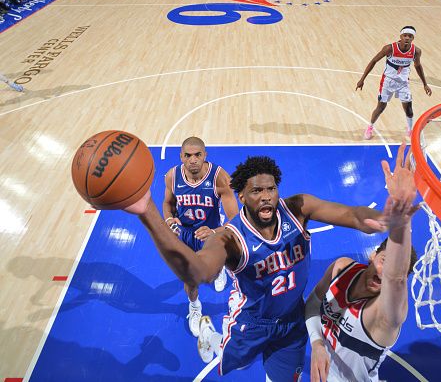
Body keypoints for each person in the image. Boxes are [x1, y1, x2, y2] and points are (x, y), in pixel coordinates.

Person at [124, 154, 403, 381]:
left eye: (271, 188)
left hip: (291, 320)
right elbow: (197, 272)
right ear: (242, 197)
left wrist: (387, 216)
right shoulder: (230, 237)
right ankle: (214, 336)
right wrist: (148, 211)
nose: (266, 196)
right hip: (251, 321)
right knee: (240, 365)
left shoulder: (297, 208)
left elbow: (353, 215)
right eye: (256, 191)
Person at [305, 146, 418, 382]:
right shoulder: (341, 268)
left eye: (397, 270)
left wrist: (401, 216)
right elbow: (313, 303)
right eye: (384, 261)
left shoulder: (384, 317)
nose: (386, 271)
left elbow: (395, 278)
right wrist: (317, 343)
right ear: (373, 255)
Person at [162, 136, 239, 337]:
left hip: (211, 234)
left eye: (197, 155)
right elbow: (167, 204)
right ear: (181, 156)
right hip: (185, 234)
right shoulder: (172, 176)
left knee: (216, 268)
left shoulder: (220, 178)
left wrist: (214, 232)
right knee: (190, 277)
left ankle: (220, 269)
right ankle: (195, 307)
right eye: (187, 155)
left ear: (205, 155)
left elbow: (235, 220)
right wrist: (170, 220)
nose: (193, 159)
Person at [357, 26, 432, 140]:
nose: (407, 38)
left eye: (410, 36)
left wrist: (425, 84)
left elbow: (418, 66)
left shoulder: (416, 51)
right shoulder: (389, 48)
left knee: (409, 109)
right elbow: (373, 61)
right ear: (400, 36)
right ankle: (370, 127)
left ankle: (410, 130)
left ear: (413, 38)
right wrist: (362, 79)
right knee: (381, 107)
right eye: (405, 35)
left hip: (403, 83)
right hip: (387, 81)